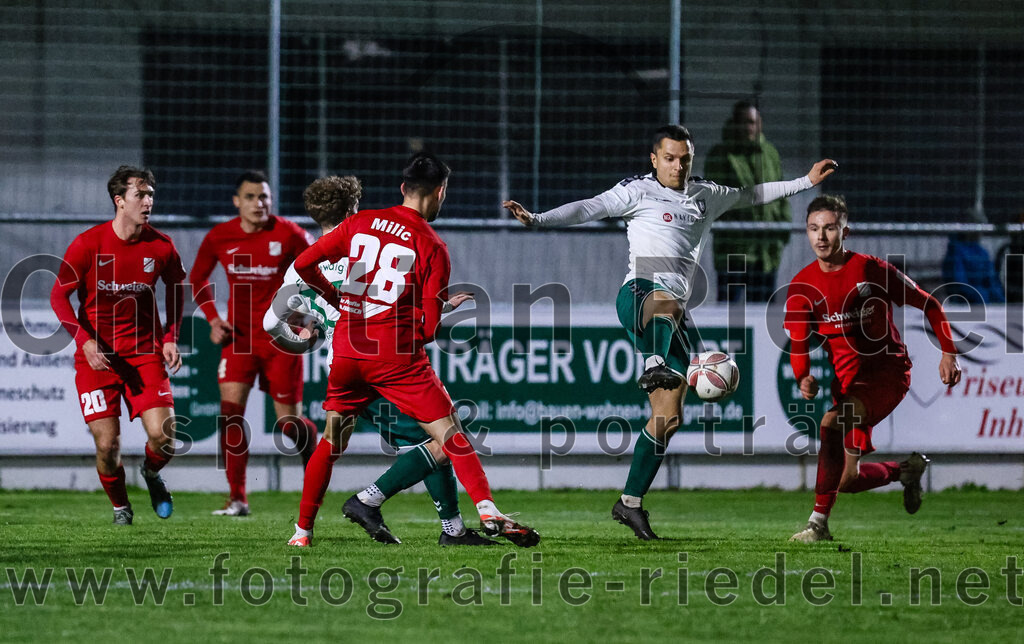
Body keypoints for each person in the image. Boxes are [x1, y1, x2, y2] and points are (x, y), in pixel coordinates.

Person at [502, 124, 837, 540]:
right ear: (654, 158)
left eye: (684, 159)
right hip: (638, 293)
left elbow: (752, 195)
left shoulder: (704, 195)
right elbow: (588, 208)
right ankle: (654, 361)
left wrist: (805, 181)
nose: (678, 166)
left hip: (672, 313)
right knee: (668, 302)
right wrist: (537, 219)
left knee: (668, 416)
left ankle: (629, 503)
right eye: (670, 158)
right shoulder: (636, 191)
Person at [286, 153, 539, 547]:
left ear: (403, 187)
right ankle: (486, 508)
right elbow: (428, 331)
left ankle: (302, 533)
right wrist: (428, 309)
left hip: (348, 353)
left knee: (331, 441)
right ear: (441, 192)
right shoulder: (433, 245)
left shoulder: (360, 221)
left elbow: (304, 264)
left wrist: (338, 299)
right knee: (450, 436)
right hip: (395, 357)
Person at [785, 195, 962, 543]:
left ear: (844, 231)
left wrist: (948, 352)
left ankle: (817, 525)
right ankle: (907, 471)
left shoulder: (871, 270)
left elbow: (930, 303)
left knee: (832, 422)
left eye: (830, 228)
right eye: (813, 229)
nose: (821, 237)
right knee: (847, 481)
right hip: (849, 386)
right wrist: (802, 375)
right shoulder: (802, 287)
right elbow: (798, 344)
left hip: (888, 374)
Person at [50, 165, 185, 525]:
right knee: (107, 446)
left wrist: (169, 337)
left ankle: (152, 474)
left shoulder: (161, 246)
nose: (148, 201)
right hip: (98, 360)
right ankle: (121, 509)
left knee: (165, 437)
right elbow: (59, 296)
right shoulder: (88, 244)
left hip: (144, 355)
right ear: (119, 201)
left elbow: (176, 291)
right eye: (140, 194)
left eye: (151, 194)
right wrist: (85, 341)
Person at [189, 170, 318, 517]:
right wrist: (213, 319)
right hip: (240, 341)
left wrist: (309, 316)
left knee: (289, 425)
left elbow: (323, 269)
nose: (258, 203)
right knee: (230, 416)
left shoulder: (290, 233)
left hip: (282, 340)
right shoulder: (221, 236)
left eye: (264, 196)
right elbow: (198, 277)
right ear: (237, 201)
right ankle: (238, 498)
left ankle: (312, 453)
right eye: (250, 197)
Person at [703, 101, 791, 302]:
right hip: (733, 249)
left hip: (765, 250)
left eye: (752, 122)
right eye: (743, 122)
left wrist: (783, 226)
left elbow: (782, 192)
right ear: (734, 124)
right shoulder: (722, 155)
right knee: (730, 310)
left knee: (761, 309)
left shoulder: (769, 153)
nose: (748, 127)